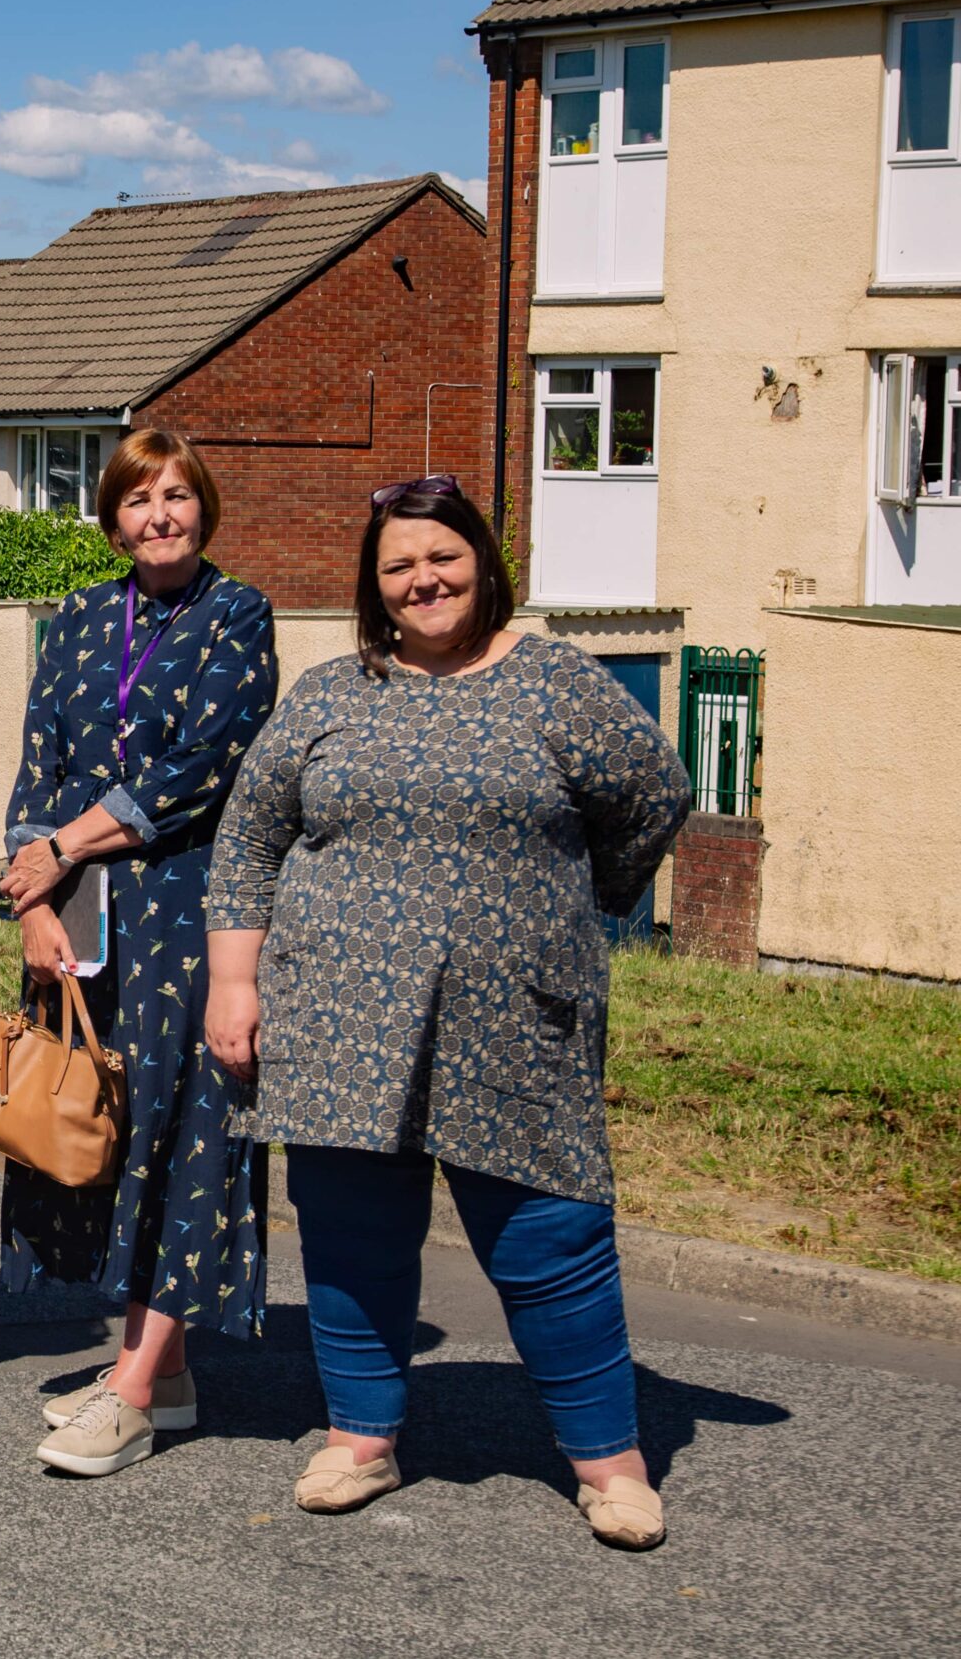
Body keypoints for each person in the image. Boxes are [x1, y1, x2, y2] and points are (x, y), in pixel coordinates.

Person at [203, 477, 690, 1550]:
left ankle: (609, 1464)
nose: (423, 579)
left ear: (482, 561)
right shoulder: (331, 694)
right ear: (374, 588)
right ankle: (359, 1438)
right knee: (350, 1232)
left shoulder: (558, 684)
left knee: (549, 1236)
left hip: (515, 1015)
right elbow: (247, 841)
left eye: (442, 557)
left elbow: (653, 799)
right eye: (397, 566)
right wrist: (233, 984)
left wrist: (565, 911)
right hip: (334, 1012)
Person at [0, 429, 279, 1478]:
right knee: (107, 1124)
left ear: (203, 509)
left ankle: (131, 1386)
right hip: (80, 917)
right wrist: (32, 900)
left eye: (177, 497)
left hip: (193, 913)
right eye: (137, 501)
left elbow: (198, 771)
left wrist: (63, 845)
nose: (159, 516)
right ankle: (165, 1374)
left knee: (185, 1131)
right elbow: (38, 765)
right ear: (110, 519)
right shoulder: (73, 620)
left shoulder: (236, 616)